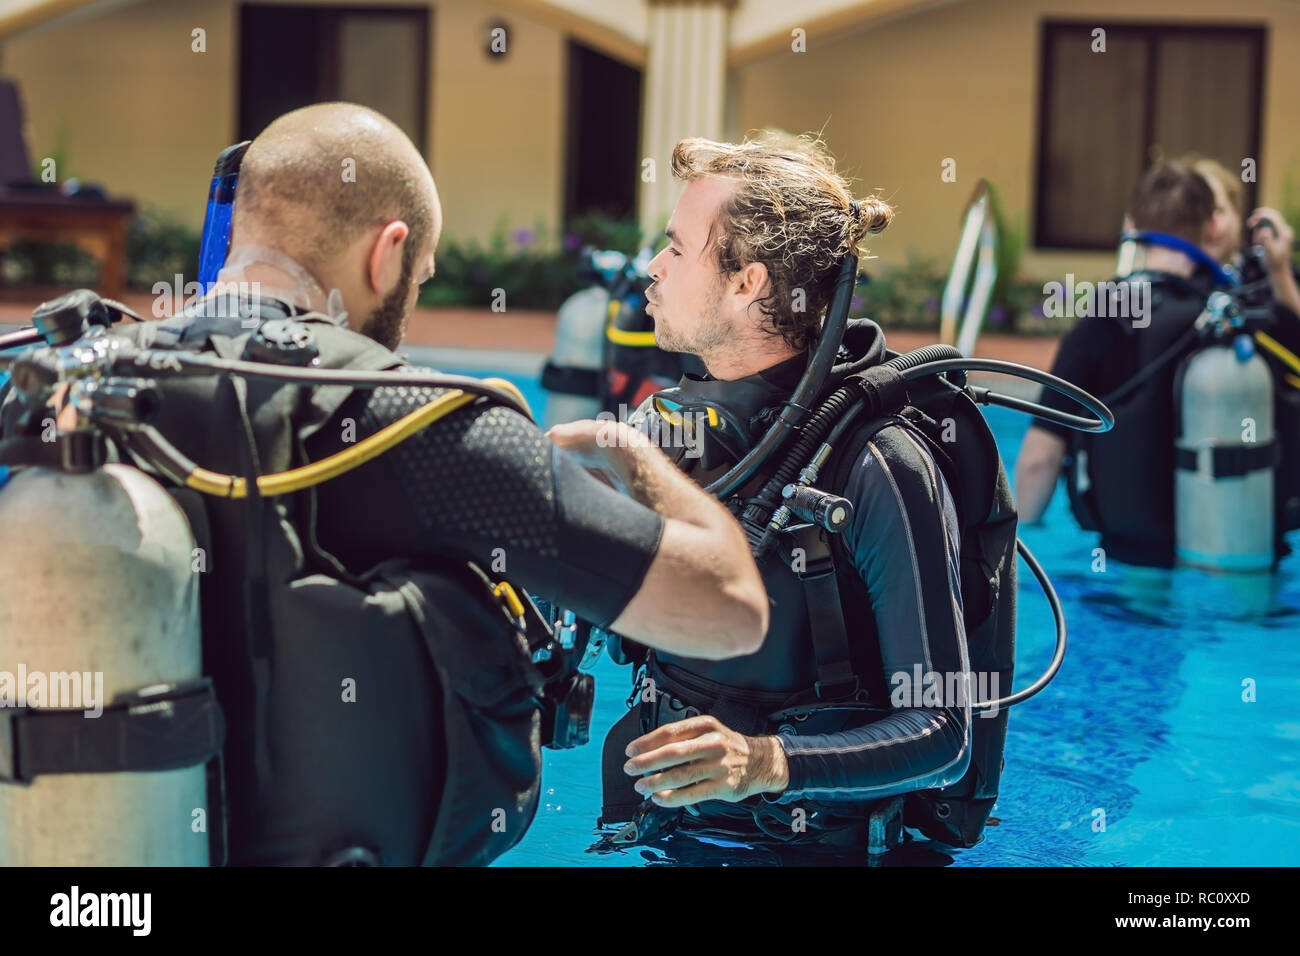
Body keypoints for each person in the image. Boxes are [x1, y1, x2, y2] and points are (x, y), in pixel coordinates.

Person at [2, 103, 768, 866]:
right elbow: (729, 612)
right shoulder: (423, 426)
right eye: (421, 278)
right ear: (389, 253)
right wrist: (635, 459)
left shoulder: (64, 388)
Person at [595, 133, 1016, 856]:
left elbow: (942, 732)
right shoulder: (670, 432)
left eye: (675, 247)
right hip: (669, 831)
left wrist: (764, 765)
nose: (652, 270)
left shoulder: (880, 466)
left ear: (747, 283)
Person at [1015, 157, 1300, 566]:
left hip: (1135, 560)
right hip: (1246, 553)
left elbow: (1041, 458)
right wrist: (1280, 272)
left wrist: (1018, 553)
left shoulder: (1107, 313)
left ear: (1132, 227)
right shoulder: (1244, 313)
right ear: (1212, 226)